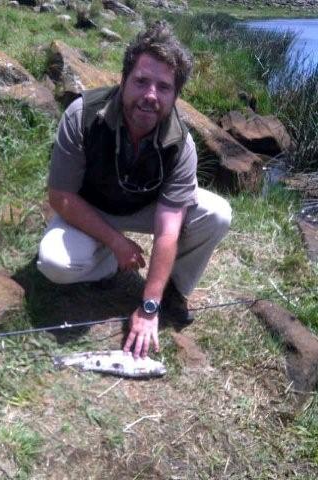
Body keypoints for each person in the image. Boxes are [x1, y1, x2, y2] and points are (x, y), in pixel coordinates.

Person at [37, 21, 231, 359]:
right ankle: (110, 262)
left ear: (175, 95)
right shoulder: (82, 115)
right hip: (89, 207)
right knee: (53, 264)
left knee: (217, 214)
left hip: (147, 209)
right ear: (123, 80)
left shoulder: (182, 145)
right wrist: (116, 241)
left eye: (163, 87)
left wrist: (149, 307)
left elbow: (168, 229)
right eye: (141, 82)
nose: (150, 96)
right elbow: (61, 197)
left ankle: (172, 291)